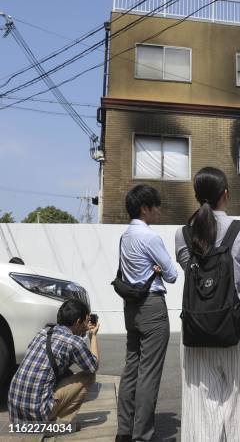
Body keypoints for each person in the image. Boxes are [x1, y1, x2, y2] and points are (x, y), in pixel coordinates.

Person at [175, 167, 240, 442]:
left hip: (195, 328)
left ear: (197, 196)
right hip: (235, 326)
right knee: (238, 404)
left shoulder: (183, 234)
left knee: (199, 405)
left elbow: (191, 272)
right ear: (226, 194)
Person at [116, 184, 181, 442]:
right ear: (145, 209)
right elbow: (173, 274)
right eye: (156, 206)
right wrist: (158, 268)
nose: (159, 211)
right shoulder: (150, 237)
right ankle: (142, 435)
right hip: (152, 306)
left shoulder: (125, 236)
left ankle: (124, 431)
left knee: (131, 368)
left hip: (130, 306)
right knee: (149, 373)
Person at [8, 299, 99, 428]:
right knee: (88, 376)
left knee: (67, 373)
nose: (86, 324)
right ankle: (60, 424)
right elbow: (93, 366)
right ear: (78, 321)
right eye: (86, 320)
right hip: (38, 414)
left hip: (15, 412)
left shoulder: (43, 332)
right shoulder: (73, 342)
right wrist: (93, 336)